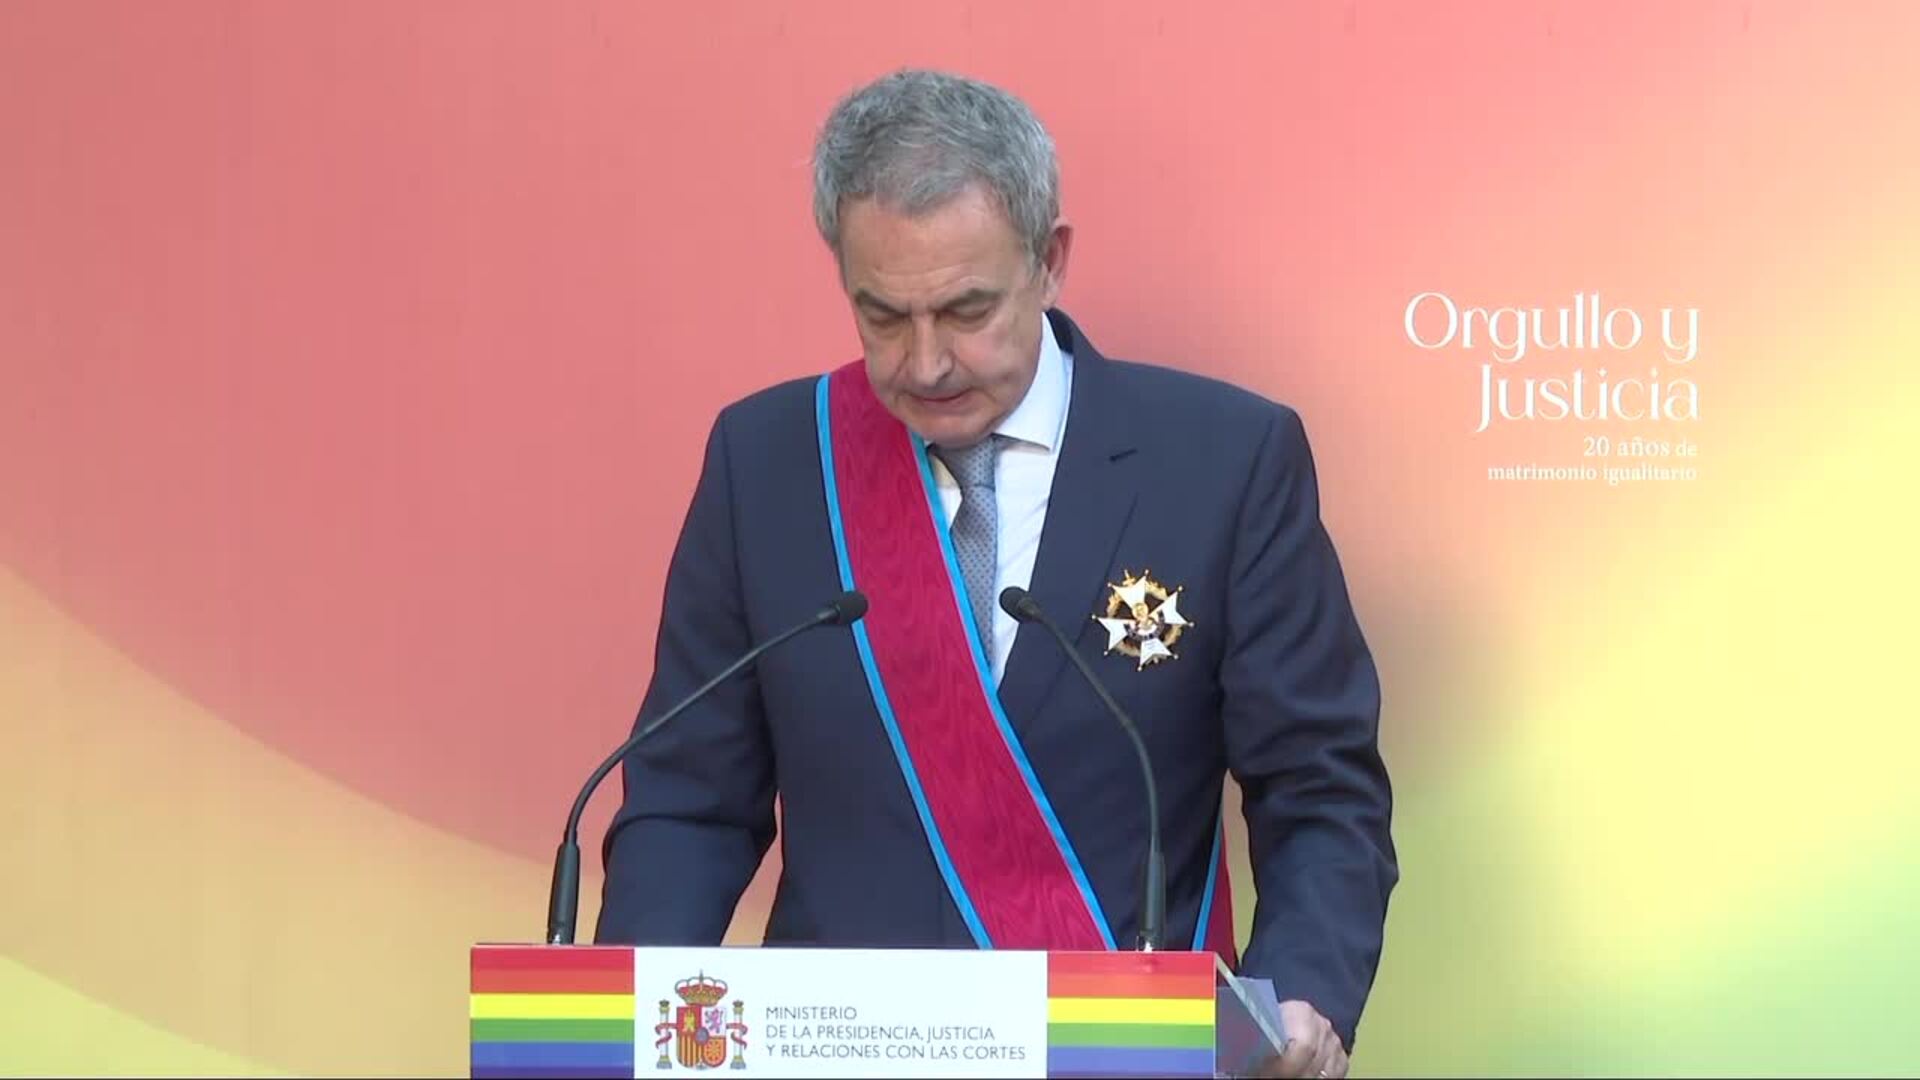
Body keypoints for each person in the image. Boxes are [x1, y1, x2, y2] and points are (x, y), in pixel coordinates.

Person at [595, 69, 1397, 1079]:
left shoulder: (1224, 461)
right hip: (833, 1057)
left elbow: (1319, 789)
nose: (926, 363)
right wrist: (620, 1029)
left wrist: (1303, 993)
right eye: (883, 316)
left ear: (1049, 260)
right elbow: (688, 800)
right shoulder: (769, 463)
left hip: (1128, 1059)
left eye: (966, 309)